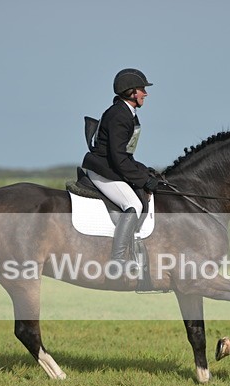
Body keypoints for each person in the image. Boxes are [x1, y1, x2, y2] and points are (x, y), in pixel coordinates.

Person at [81, 68, 160, 272]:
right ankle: (118, 261)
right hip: (102, 171)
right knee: (133, 205)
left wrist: (145, 173)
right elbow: (118, 158)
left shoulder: (127, 113)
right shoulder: (119, 115)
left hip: (111, 168)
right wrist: (143, 181)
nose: (146, 93)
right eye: (142, 89)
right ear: (131, 92)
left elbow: (126, 156)